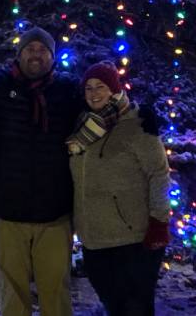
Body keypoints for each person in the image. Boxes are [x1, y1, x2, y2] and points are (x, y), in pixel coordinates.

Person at [0, 27, 83, 316]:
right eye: (30, 48)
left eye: (43, 50)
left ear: (53, 57)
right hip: (8, 213)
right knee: (12, 296)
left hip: (55, 214)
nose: (36, 54)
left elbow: (100, 108)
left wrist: (135, 115)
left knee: (57, 294)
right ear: (19, 53)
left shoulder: (67, 91)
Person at [68, 61, 171, 316]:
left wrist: (159, 221)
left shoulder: (137, 124)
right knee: (113, 306)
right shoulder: (83, 126)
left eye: (100, 87)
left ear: (114, 90)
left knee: (135, 308)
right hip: (94, 239)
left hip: (133, 239)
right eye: (89, 88)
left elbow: (159, 174)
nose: (94, 93)